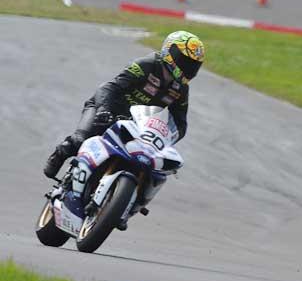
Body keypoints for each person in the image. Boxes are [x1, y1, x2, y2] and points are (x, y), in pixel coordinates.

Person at [43, 31, 205, 179]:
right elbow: (109, 87)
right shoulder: (146, 65)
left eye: (192, 66)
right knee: (80, 140)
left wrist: (164, 138)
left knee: (150, 170)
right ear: (169, 51)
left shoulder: (181, 88)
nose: (187, 68)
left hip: (138, 129)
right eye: (184, 61)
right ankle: (61, 152)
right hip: (106, 110)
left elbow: (180, 122)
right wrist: (104, 109)